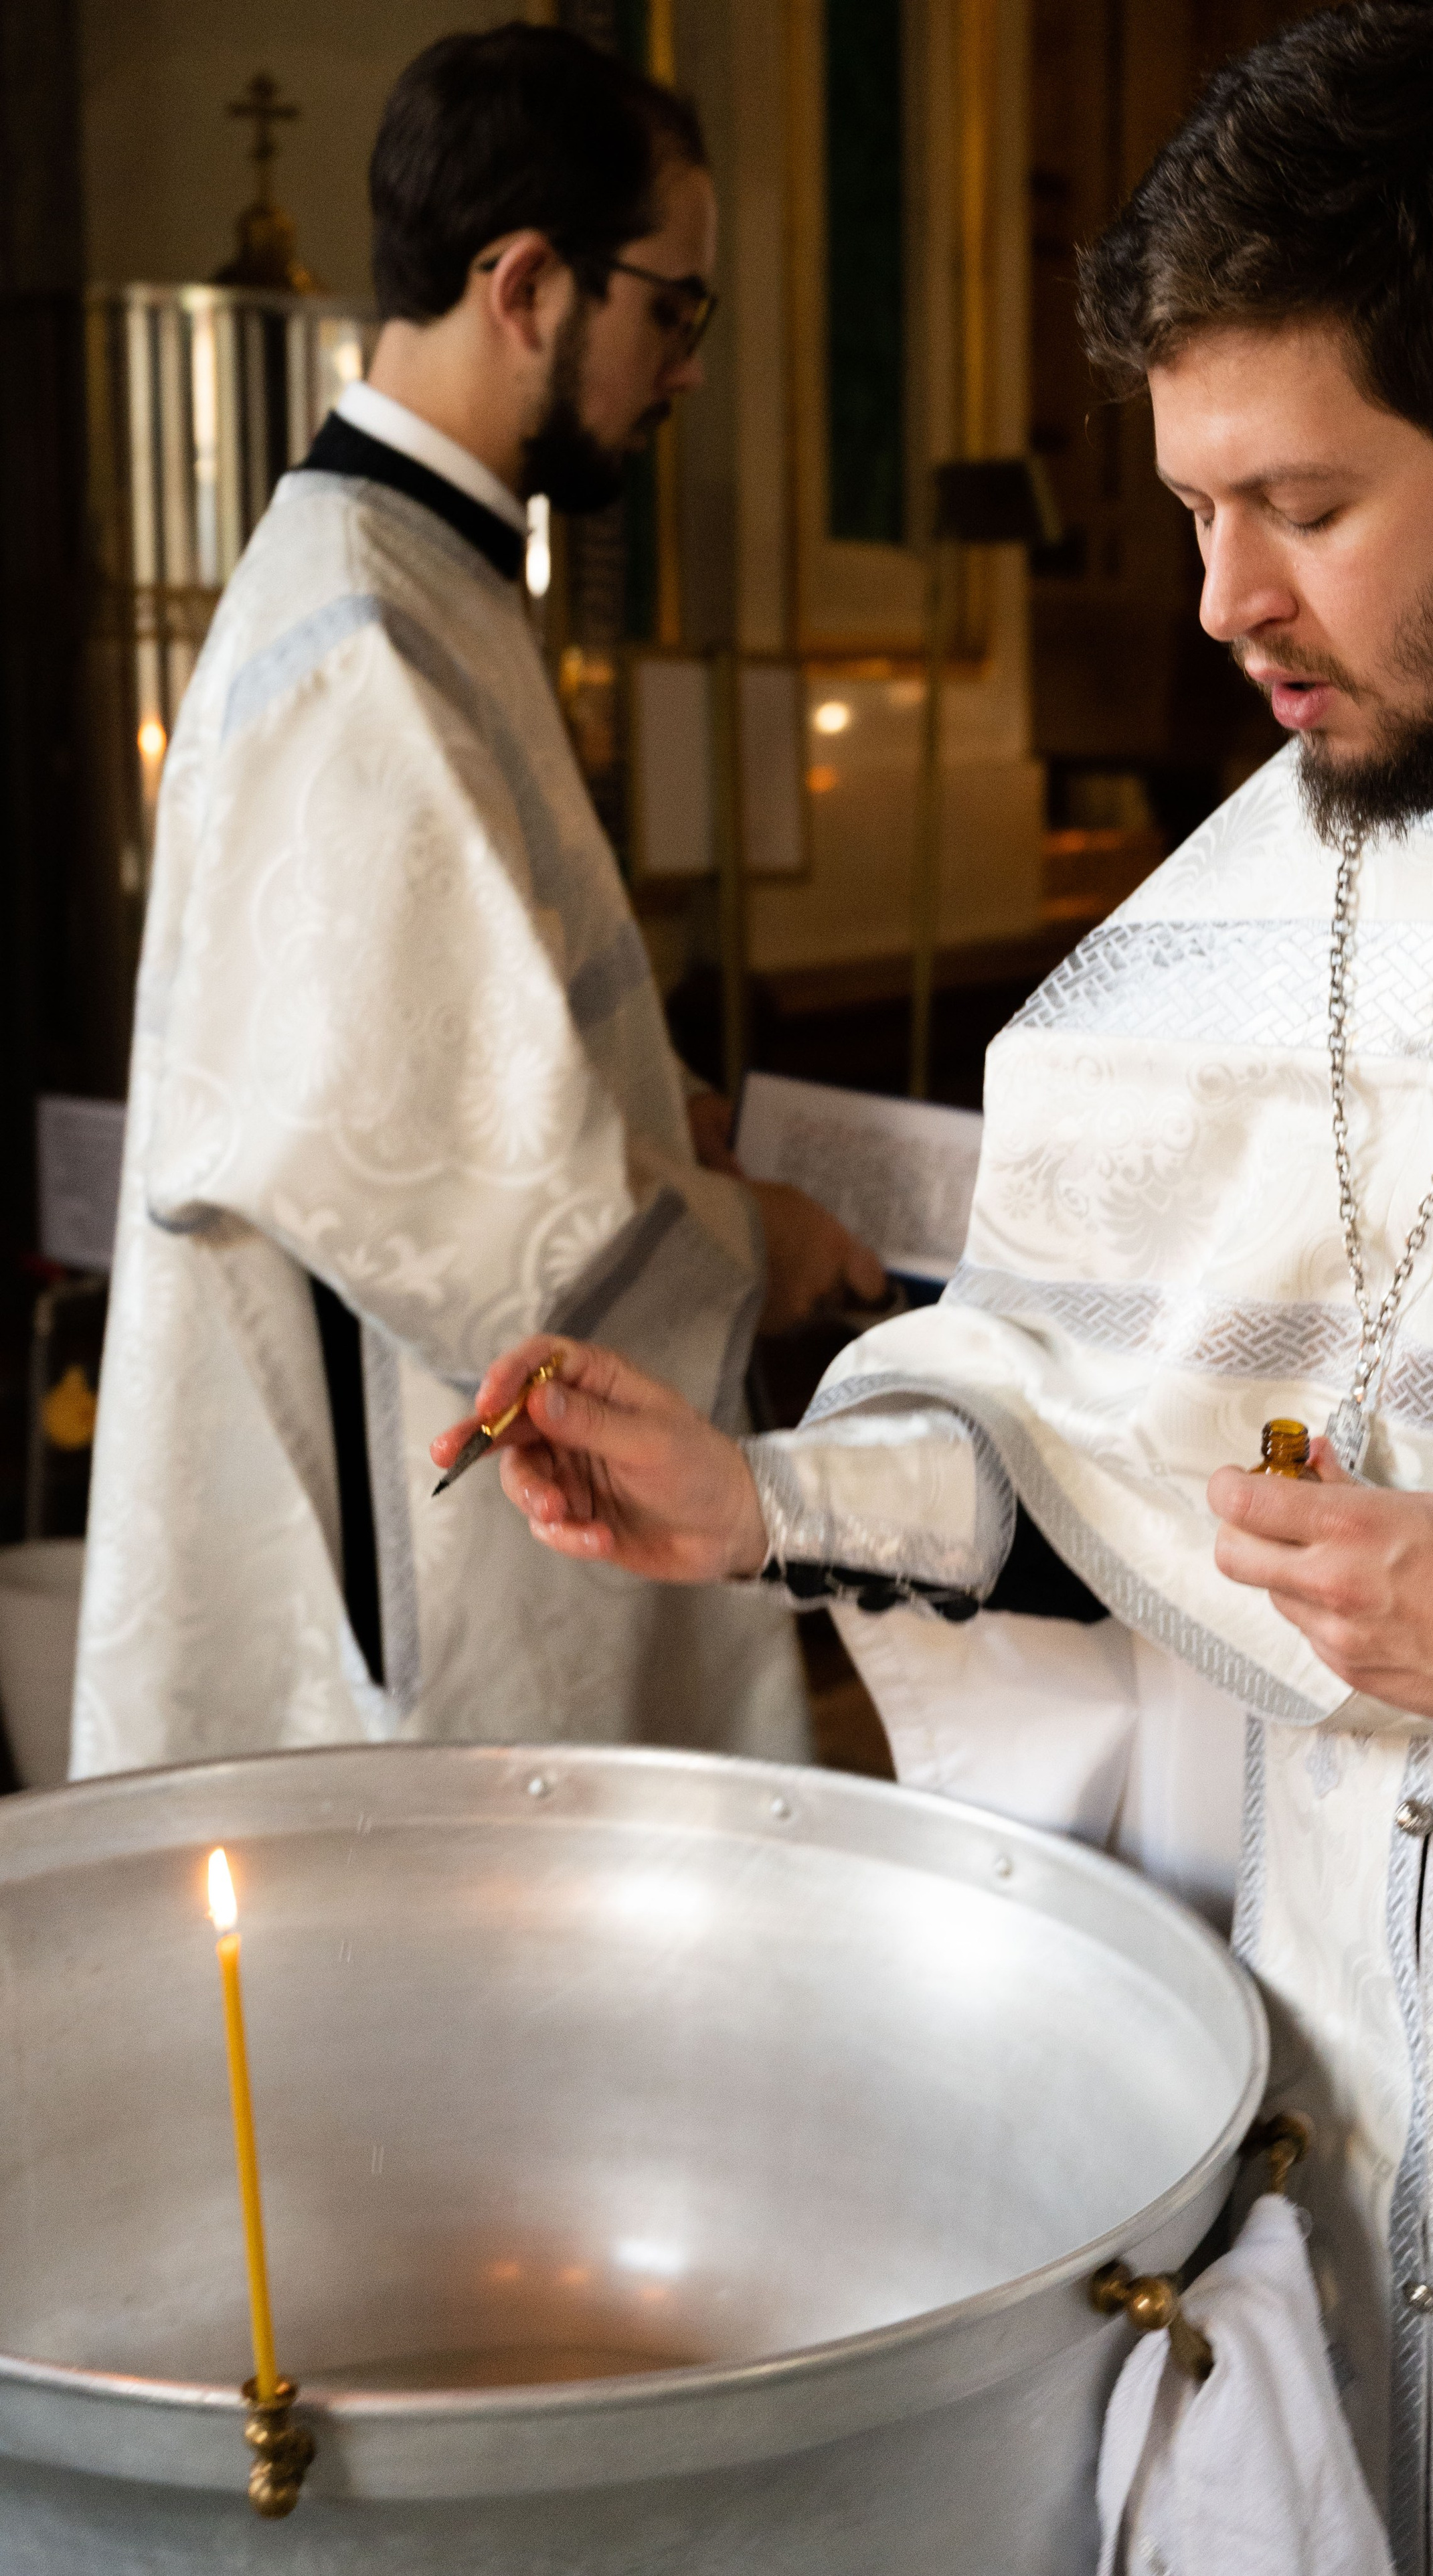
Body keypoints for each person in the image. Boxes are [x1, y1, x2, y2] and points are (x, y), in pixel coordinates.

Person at [441, 10, 1433, 2567]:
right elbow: (1091, 1463)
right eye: (1194, 501)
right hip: (1347, 2123)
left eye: (1304, 504)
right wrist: (770, 1496)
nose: (1222, 601)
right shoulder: (1250, 907)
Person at [74, 25, 881, 1777]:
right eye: (674, 309)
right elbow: (461, 1207)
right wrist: (764, 1244)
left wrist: (648, 1101)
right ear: (525, 283)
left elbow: (445, 1024)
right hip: (424, 1511)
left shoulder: (424, 571)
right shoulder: (363, 631)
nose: (684, 369)